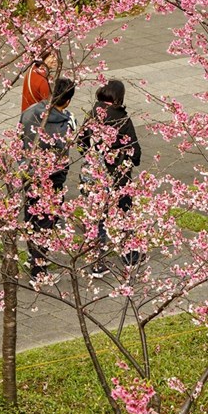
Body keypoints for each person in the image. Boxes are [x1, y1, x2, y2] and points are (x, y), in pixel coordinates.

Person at [79, 80, 142, 277]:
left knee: (97, 217)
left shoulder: (92, 113)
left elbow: (80, 142)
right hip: (117, 174)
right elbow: (135, 151)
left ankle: (97, 261)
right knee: (124, 212)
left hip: (92, 173)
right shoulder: (121, 118)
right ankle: (129, 255)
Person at [20, 77, 77, 288]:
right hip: (52, 179)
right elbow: (63, 157)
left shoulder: (29, 113)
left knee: (31, 217)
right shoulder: (67, 122)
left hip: (28, 173)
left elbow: (19, 140)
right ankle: (39, 271)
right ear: (68, 100)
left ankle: (33, 257)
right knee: (45, 223)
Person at [21, 48, 59, 112]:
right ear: (42, 58)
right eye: (52, 56)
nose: (55, 59)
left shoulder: (33, 68)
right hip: (38, 117)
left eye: (55, 55)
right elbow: (48, 106)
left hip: (27, 114)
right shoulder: (43, 80)